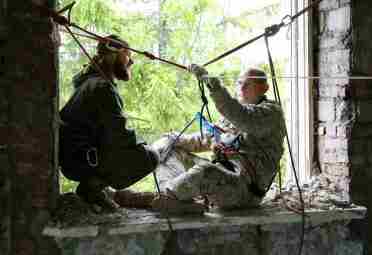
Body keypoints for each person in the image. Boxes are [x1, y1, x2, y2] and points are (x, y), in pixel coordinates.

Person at [151, 64, 285, 211]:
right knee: (165, 150)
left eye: (248, 84)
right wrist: (175, 139)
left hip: (245, 190)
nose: (241, 88)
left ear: (264, 88)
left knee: (206, 171)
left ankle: (164, 198)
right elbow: (205, 138)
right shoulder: (232, 117)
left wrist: (214, 85)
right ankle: (172, 196)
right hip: (223, 177)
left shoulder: (271, 114)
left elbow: (243, 116)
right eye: (239, 83)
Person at [59, 35, 160, 212]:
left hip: (74, 159)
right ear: (116, 55)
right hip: (84, 161)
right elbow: (118, 136)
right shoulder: (102, 87)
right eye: (128, 55)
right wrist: (140, 145)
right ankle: (91, 187)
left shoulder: (89, 84)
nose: (131, 62)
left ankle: (95, 187)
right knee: (150, 156)